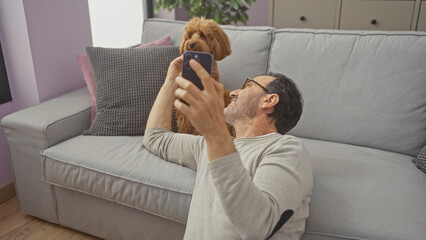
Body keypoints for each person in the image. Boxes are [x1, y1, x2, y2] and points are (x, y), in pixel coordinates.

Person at [143, 56, 313, 240]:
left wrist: (215, 132)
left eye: (247, 86)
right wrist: (171, 81)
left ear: (269, 100)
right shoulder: (208, 145)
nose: (233, 93)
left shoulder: (286, 148)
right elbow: (155, 137)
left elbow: (258, 227)